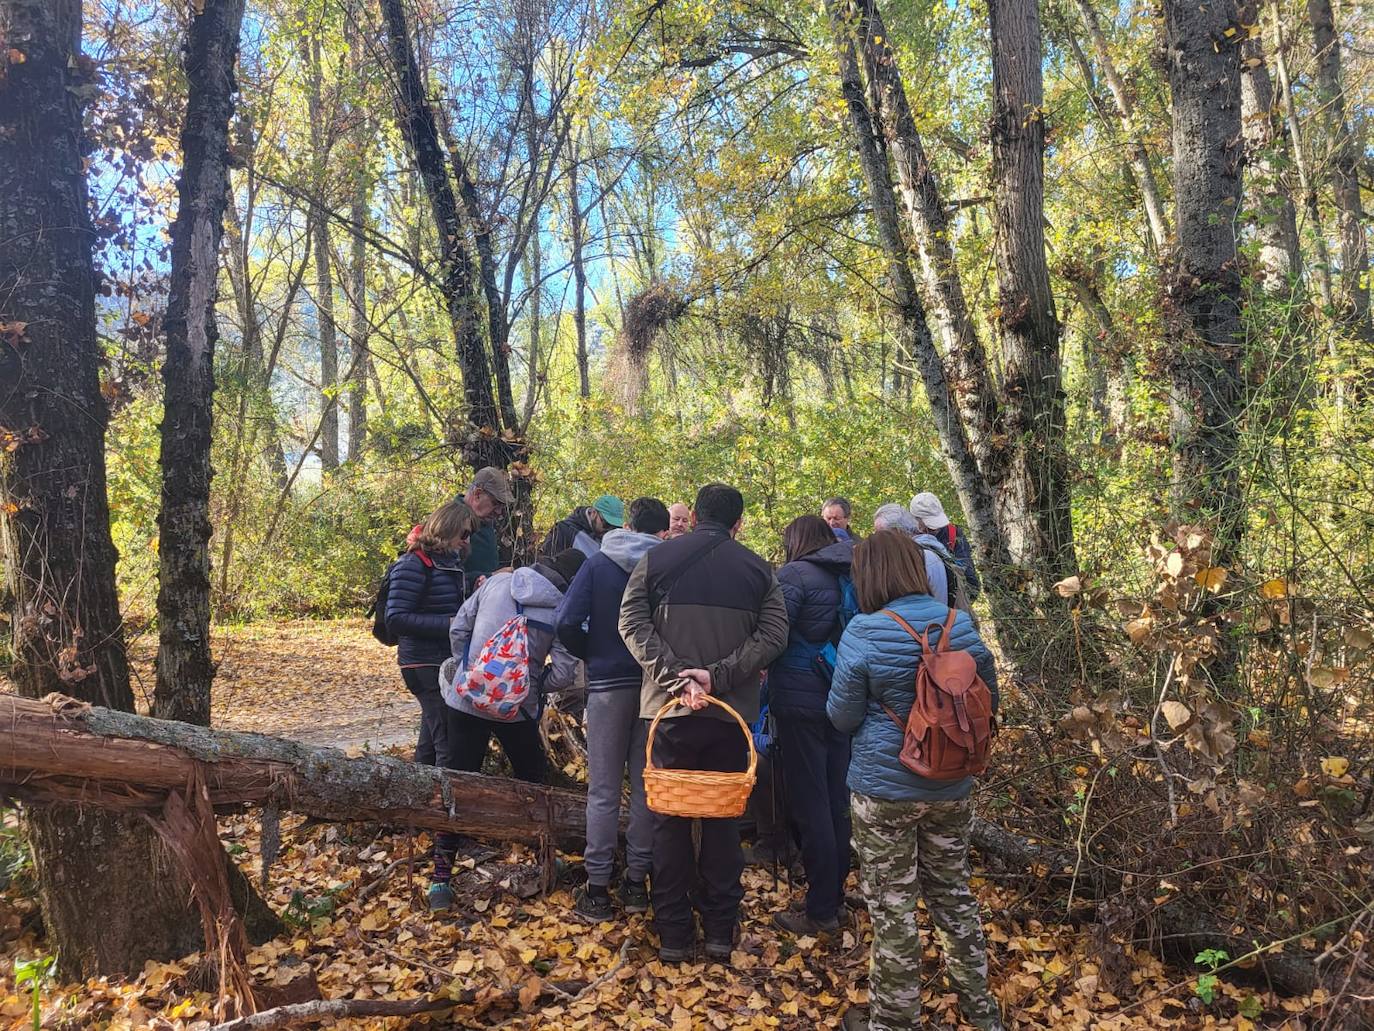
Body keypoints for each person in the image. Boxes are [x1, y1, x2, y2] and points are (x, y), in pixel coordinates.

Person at [827, 531, 1002, 1031]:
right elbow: (988, 701)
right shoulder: (960, 624)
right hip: (951, 786)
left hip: (884, 793)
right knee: (953, 894)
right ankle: (980, 1009)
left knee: (893, 906)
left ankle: (894, 1021)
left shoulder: (863, 630)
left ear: (869, 575)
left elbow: (840, 717)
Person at [618, 483, 789, 963]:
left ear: (692, 516)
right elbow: (775, 633)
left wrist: (678, 681)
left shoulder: (655, 561)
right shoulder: (759, 570)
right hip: (730, 718)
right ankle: (718, 931)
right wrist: (717, 678)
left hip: (666, 716)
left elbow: (630, 623)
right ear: (738, 522)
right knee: (722, 825)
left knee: (668, 824)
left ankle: (673, 936)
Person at [428, 548, 586, 911]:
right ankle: (545, 861)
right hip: (517, 711)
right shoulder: (563, 609)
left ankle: (440, 880)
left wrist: (469, 668)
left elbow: (458, 627)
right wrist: (529, 683)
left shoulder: (497, 582)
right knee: (532, 785)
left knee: (456, 783)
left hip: (465, 700)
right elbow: (562, 675)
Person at [555, 497, 671, 922]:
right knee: (646, 787)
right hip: (654, 688)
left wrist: (593, 655)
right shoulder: (666, 568)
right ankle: (637, 882)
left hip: (606, 686)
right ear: (662, 531)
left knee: (602, 790)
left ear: (628, 524)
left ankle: (598, 888)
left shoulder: (598, 563)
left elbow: (567, 619)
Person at [767, 515, 854, 935]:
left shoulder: (795, 574)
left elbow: (775, 635)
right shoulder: (852, 569)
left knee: (810, 801)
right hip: (843, 695)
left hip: (801, 700)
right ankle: (835, 892)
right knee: (838, 797)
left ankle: (820, 909)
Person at [385, 501, 477, 768]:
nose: (466, 540)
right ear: (447, 529)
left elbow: (441, 598)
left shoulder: (447, 564)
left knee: (429, 742)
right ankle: (447, 802)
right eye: (463, 533)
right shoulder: (412, 564)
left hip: (438, 660)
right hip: (423, 663)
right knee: (448, 742)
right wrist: (450, 624)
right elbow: (396, 618)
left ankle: (419, 797)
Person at [910, 491, 981, 600]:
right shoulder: (907, 541)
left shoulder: (954, 534)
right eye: (928, 524)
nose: (934, 529)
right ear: (915, 520)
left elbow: (971, 583)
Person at [459, 467, 515, 584]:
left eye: (502, 506)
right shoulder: (451, 522)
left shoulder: (485, 523)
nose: (499, 512)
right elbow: (442, 579)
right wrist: (491, 577)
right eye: (495, 503)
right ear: (478, 494)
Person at [540, 495, 623, 557]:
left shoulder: (610, 537)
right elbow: (548, 566)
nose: (609, 530)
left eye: (614, 527)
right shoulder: (564, 530)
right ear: (594, 513)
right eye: (606, 524)